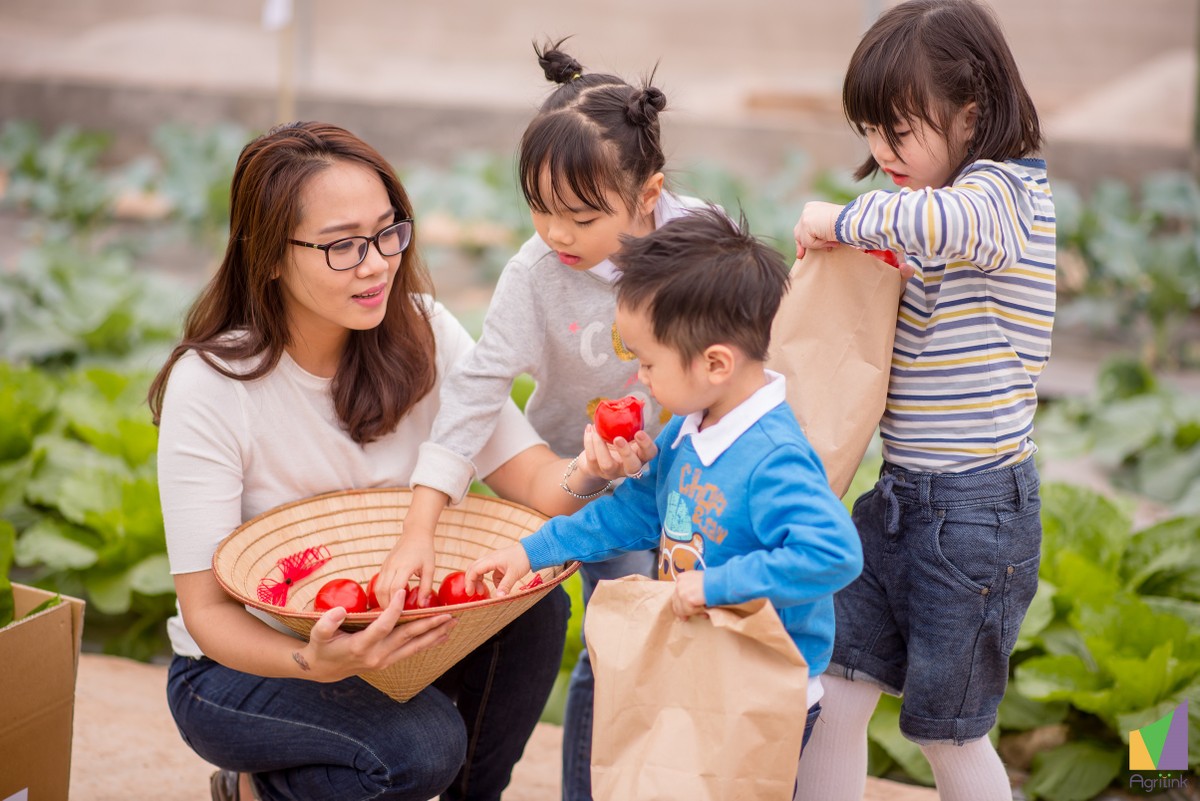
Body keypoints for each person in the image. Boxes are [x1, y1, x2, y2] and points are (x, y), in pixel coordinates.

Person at [148, 121, 648, 801]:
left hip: (398, 641)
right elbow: (206, 610)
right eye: (343, 245)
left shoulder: (424, 332)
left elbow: (531, 482)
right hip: (248, 667)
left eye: (388, 232)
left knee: (532, 607)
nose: (378, 262)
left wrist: (593, 467)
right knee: (420, 746)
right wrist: (312, 660)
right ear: (267, 255)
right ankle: (254, 790)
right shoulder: (212, 385)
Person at [401, 40, 708, 801]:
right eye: (538, 209)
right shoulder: (534, 279)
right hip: (586, 481)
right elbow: (472, 393)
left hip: (696, 473)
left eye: (580, 215)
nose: (555, 234)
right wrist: (423, 517)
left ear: (648, 195)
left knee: (690, 639)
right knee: (614, 645)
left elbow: (757, 342)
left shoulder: (700, 242)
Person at [465, 207, 864, 772]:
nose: (641, 378)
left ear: (716, 363)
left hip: (760, 688)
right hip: (702, 663)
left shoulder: (772, 459)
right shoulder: (688, 428)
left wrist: (717, 586)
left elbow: (833, 555)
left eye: (648, 363)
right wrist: (533, 551)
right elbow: (631, 512)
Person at [790, 2, 1055, 799]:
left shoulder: (1007, 195)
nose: (879, 152)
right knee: (835, 686)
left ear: (972, 111)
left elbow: (949, 222)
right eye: (869, 132)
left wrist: (837, 218)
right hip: (900, 500)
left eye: (897, 132)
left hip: (978, 517)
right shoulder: (933, 211)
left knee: (948, 732)